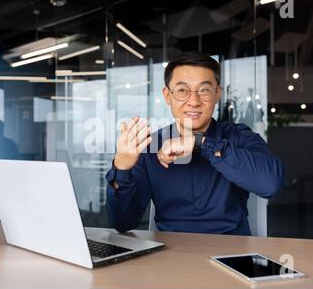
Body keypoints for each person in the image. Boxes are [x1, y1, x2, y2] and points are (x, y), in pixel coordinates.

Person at [105, 52, 285, 235]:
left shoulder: (239, 136)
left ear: (218, 94)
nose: (193, 101)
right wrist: (122, 168)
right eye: (182, 90)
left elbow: (271, 184)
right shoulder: (151, 144)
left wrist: (200, 143)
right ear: (167, 96)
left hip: (231, 253)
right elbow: (123, 222)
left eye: (204, 90)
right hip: (169, 254)